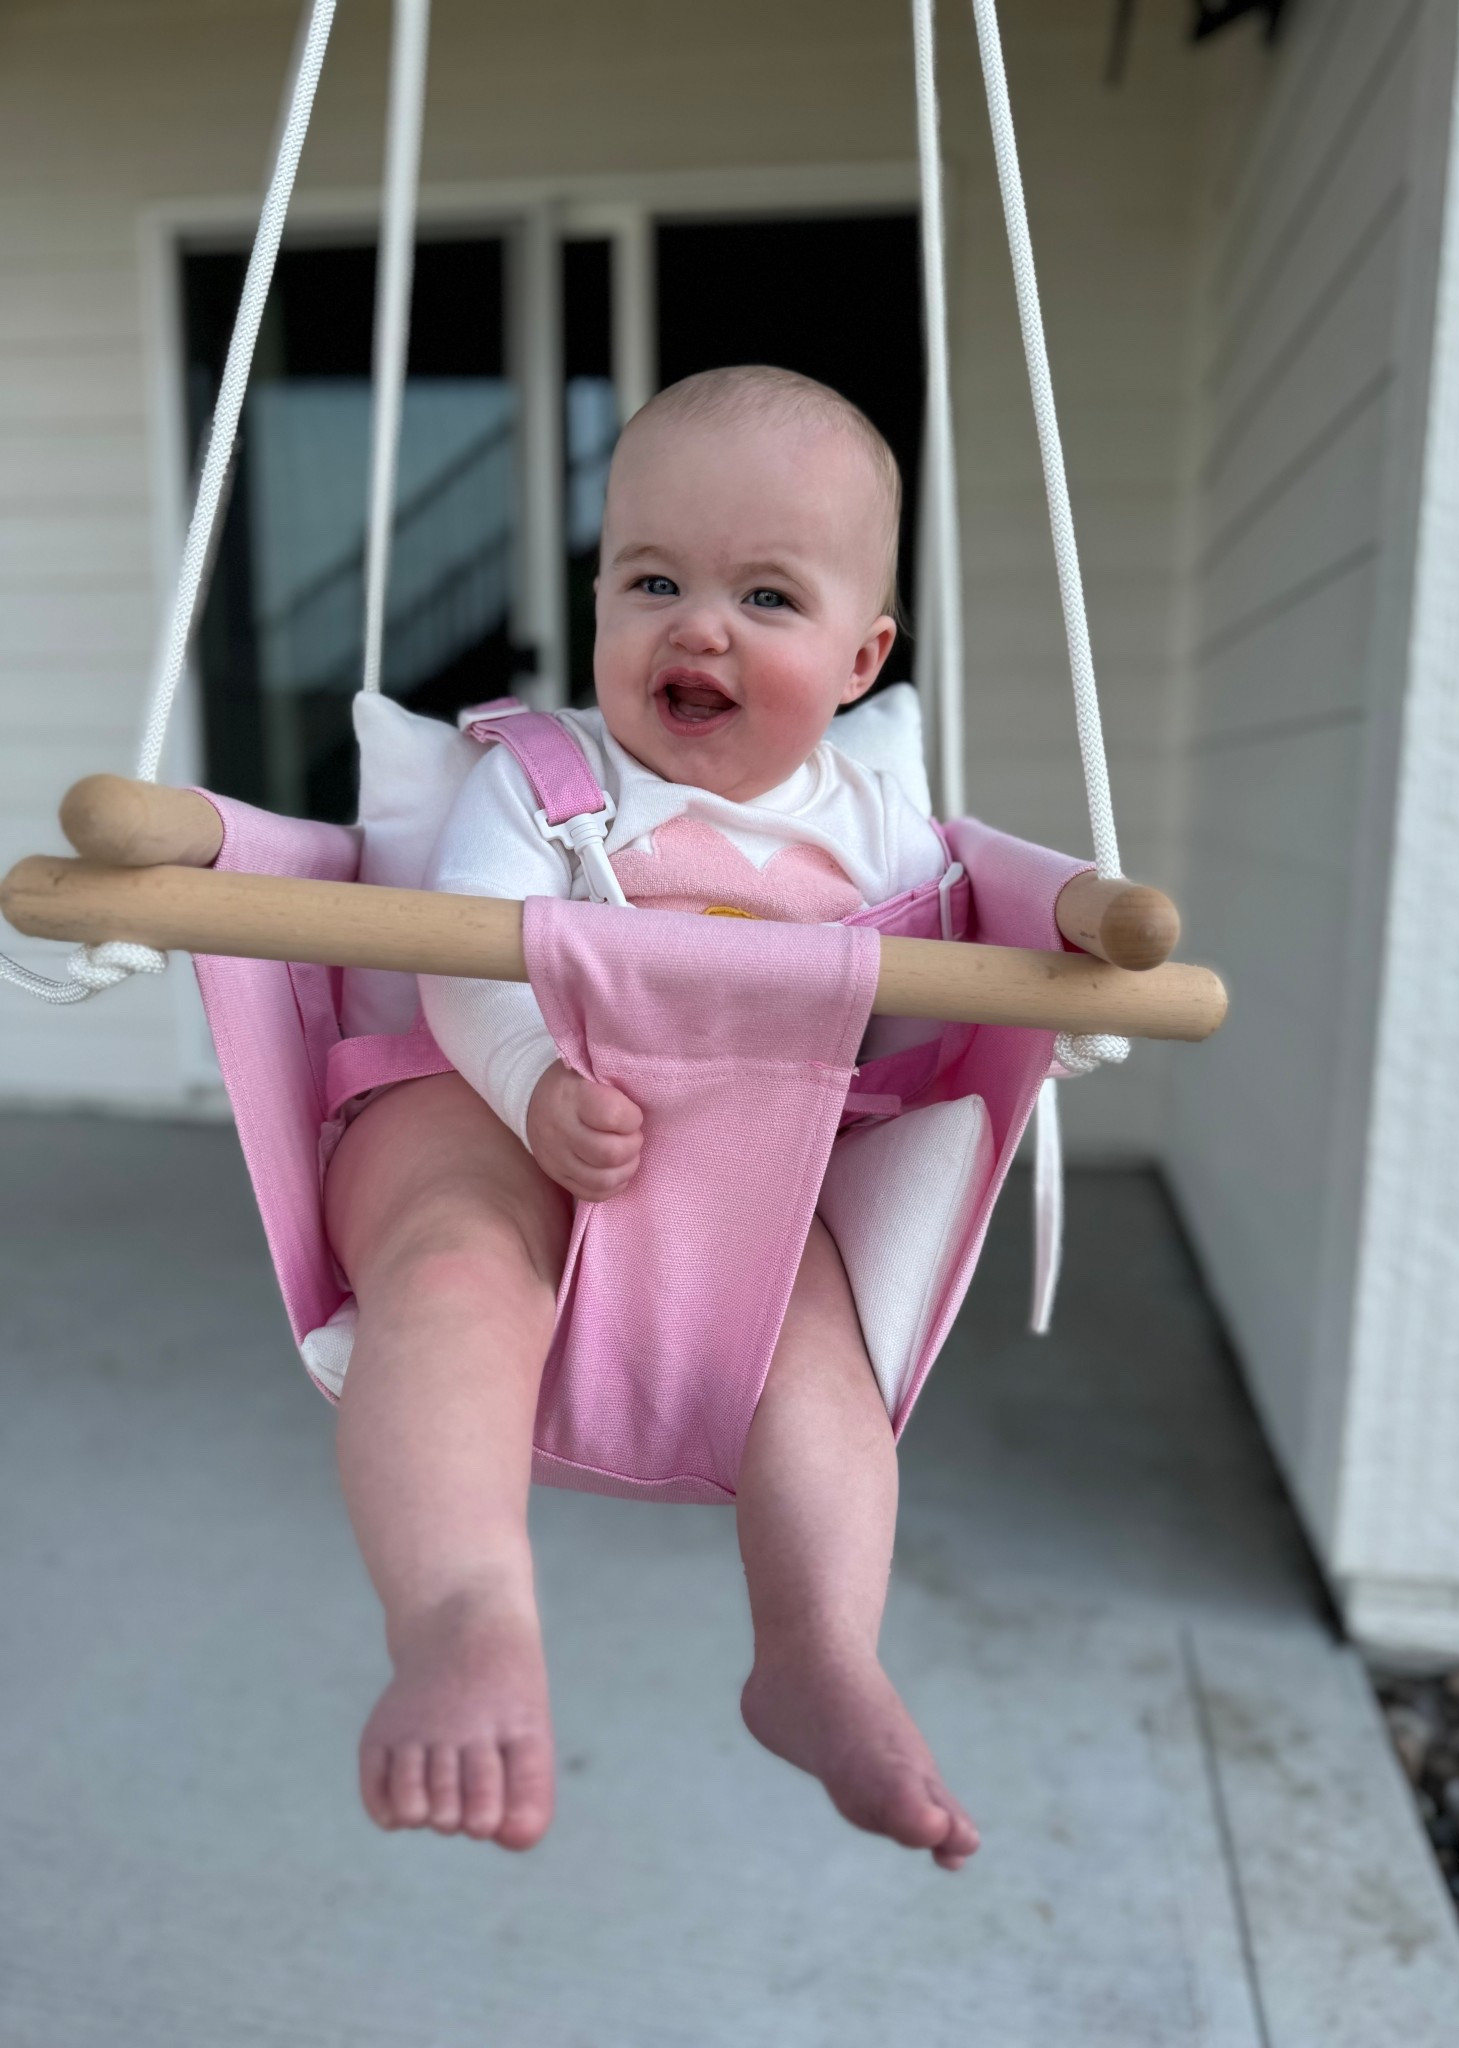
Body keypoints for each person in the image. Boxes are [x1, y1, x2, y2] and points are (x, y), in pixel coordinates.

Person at [323, 365, 981, 1871]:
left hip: (737, 1171)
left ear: (863, 657)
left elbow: (951, 974)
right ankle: (463, 1611)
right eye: (655, 581)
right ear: (601, 596)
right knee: (448, 1266)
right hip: (489, 1101)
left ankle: (818, 1651)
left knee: (819, 1368)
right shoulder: (544, 779)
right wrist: (532, 1084)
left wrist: (1050, 998)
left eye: (767, 596)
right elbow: (468, 959)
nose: (700, 627)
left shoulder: (883, 831)